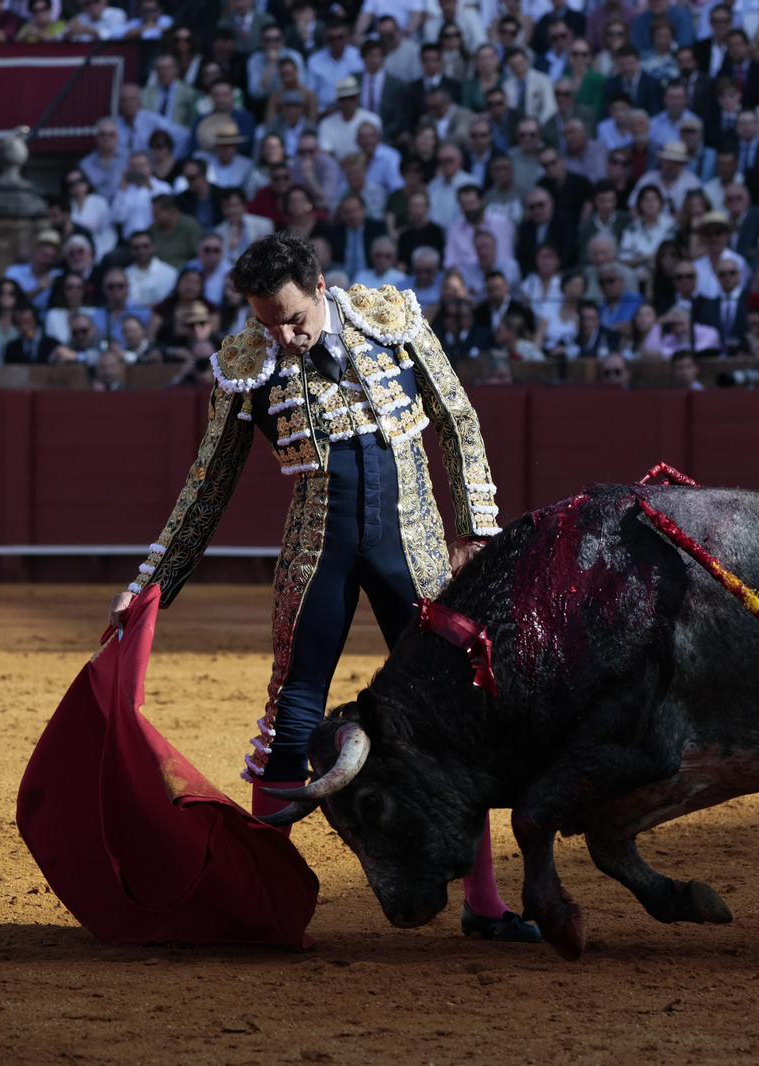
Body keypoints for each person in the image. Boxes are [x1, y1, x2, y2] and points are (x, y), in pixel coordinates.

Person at [106, 233, 537, 941]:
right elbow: (207, 485)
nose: (283, 335)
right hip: (319, 548)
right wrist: (150, 583)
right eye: (266, 322)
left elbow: (458, 418)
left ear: (321, 287)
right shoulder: (246, 365)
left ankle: (485, 906)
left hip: (416, 541)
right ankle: (262, 903)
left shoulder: (390, 318)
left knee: (458, 718)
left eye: (293, 318)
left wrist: (477, 532)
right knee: (292, 713)